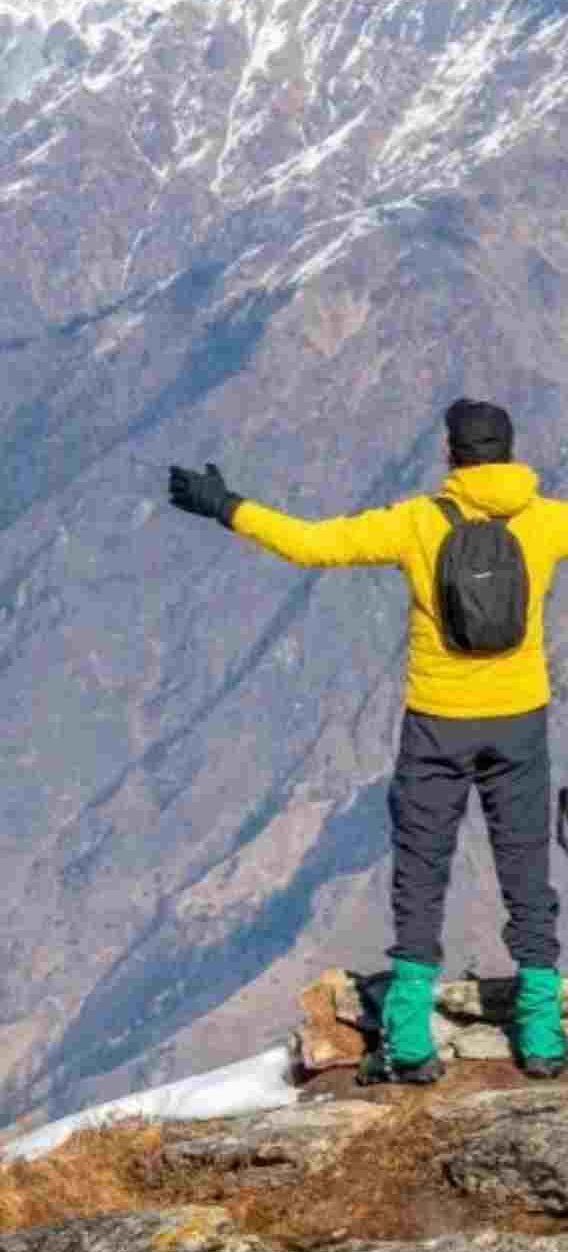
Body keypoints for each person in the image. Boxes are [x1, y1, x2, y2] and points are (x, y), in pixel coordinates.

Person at [169, 398, 567, 1083]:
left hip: (437, 722)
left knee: (421, 870)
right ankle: (540, 1036)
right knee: (526, 869)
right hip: (519, 721)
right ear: (510, 454)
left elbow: (311, 544)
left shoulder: (416, 522)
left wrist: (226, 505)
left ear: (450, 456)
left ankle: (409, 1043)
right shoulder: (548, 520)